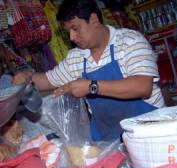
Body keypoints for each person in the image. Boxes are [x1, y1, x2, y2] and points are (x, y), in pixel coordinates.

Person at [14, 0, 164, 141]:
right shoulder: (77, 57)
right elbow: (47, 80)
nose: (72, 37)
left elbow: (143, 87)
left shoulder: (130, 41)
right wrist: (27, 77)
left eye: (75, 28)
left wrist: (90, 86)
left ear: (93, 19)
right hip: (109, 139)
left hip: (150, 132)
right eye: (68, 32)